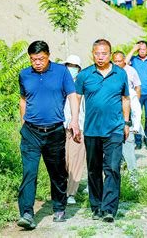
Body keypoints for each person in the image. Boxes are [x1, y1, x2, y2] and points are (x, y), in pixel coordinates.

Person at [17, 41, 79, 229]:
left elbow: (72, 96)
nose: (37, 62)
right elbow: (23, 100)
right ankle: (27, 213)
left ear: (48, 55)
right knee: (29, 172)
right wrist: (23, 125)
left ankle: (59, 207)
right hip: (31, 132)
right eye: (33, 59)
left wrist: (74, 121)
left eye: (41, 59)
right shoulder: (24, 74)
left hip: (54, 132)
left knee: (57, 172)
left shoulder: (61, 72)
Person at [75, 39, 130, 223]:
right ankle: (96, 206)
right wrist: (75, 121)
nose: (100, 57)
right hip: (91, 130)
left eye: (104, 53)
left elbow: (125, 98)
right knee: (94, 170)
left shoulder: (120, 74)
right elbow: (76, 97)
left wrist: (126, 122)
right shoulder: (84, 75)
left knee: (113, 168)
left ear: (110, 53)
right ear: (92, 54)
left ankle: (109, 209)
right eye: (97, 53)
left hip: (114, 129)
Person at [112, 51, 142, 172]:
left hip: (125, 122)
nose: (118, 63)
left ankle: (133, 179)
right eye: (115, 61)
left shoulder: (130, 88)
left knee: (129, 150)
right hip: (110, 123)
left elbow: (136, 108)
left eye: (120, 61)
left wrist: (135, 125)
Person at [63, 55, 87, 206]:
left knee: (76, 161)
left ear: (79, 69)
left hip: (79, 127)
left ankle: (71, 193)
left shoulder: (82, 85)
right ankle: (62, 189)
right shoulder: (60, 84)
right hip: (61, 127)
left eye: (74, 66)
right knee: (64, 160)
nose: (71, 68)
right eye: (69, 65)